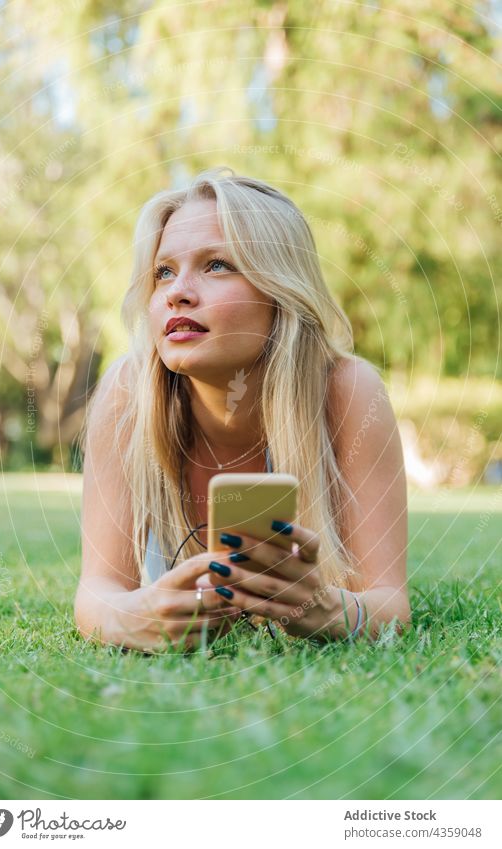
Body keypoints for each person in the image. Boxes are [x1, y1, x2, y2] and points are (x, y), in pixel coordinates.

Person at [74, 166, 411, 654]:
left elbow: (391, 604)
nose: (176, 292)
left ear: (281, 291)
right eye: (164, 271)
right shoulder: (128, 392)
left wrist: (325, 610)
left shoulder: (348, 390)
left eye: (217, 265)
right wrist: (133, 619)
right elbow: (97, 592)